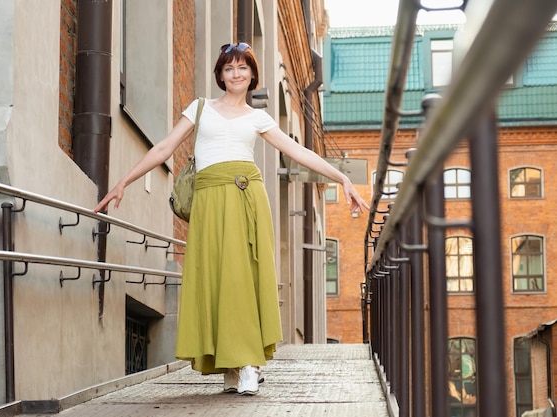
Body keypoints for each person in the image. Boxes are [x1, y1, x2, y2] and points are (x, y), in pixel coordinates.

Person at [94, 42, 370, 395]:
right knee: (214, 277)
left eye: (242, 68)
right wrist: (123, 181)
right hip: (209, 201)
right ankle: (230, 363)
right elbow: (165, 147)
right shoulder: (199, 108)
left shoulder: (259, 118)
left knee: (242, 277)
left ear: (252, 74)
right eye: (229, 68)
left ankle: (250, 363)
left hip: (245, 198)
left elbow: (297, 152)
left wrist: (342, 178)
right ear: (220, 75)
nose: (236, 74)